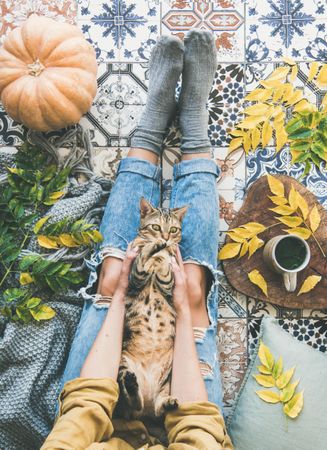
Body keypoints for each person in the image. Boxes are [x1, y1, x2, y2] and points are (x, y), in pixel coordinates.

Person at [42, 30, 233, 449]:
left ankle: (150, 127)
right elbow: (199, 428)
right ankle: (194, 126)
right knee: (195, 289)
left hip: (102, 415)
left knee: (111, 278)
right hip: (179, 420)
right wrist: (184, 310)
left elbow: (84, 409)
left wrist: (122, 291)